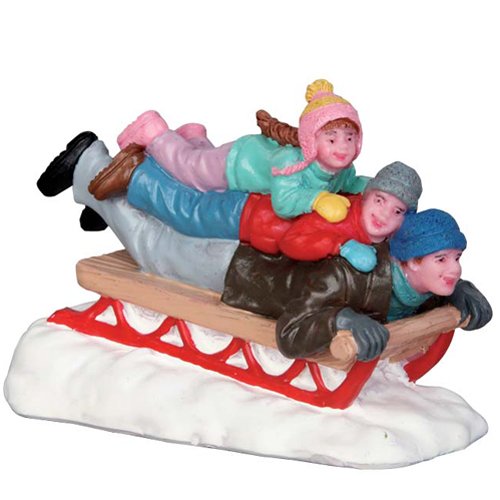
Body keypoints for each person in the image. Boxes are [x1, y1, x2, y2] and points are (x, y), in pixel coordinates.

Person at [222, 210, 492, 361]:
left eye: (457, 257)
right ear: (411, 261)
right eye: (441, 259)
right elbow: (289, 333)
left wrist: (459, 289)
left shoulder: (422, 284)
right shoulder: (346, 274)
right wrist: (343, 319)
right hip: (246, 274)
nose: (454, 269)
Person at [86, 152, 421, 272]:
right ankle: (137, 172)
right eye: (379, 201)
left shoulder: (370, 228)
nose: (383, 215)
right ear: (367, 196)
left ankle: (178, 148)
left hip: (257, 217)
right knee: (188, 212)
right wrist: (341, 246)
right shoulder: (343, 215)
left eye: (397, 211)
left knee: (196, 198)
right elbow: (294, 241)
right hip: (249, 216)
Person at [89, 79, 370, 221]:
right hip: (237, 165)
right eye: (331, 139)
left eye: (349, 138)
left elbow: (350, 182)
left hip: (248, 155)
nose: (342, 147)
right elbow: (284, 203)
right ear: (311, 140)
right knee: (189, 170)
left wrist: (374, 187)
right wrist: (317, 200)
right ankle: (153, 131)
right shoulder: (290, 163)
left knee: (199, 161)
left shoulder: (342, 169)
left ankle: (192, 136)